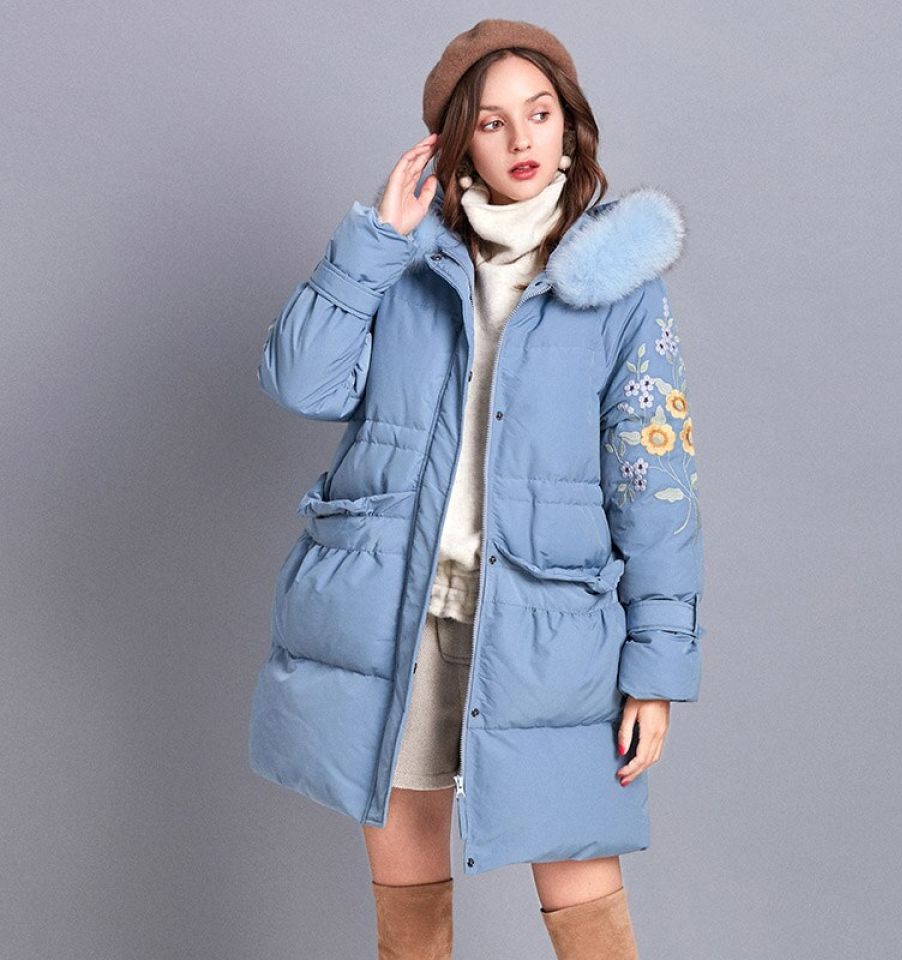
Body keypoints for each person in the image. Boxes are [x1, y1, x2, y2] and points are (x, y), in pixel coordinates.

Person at [248, 18, 706, 960]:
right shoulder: (403, 265)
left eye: (539, 113)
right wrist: (375, 240)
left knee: (585, 894)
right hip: (396, 617)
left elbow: (656, 484)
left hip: (548, 625)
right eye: (493, 122)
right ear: (459, 141)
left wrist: (657, 667)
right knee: (408, 910)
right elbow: (299, 380)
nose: (521, 139)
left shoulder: (622, 287)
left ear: (570, 127)